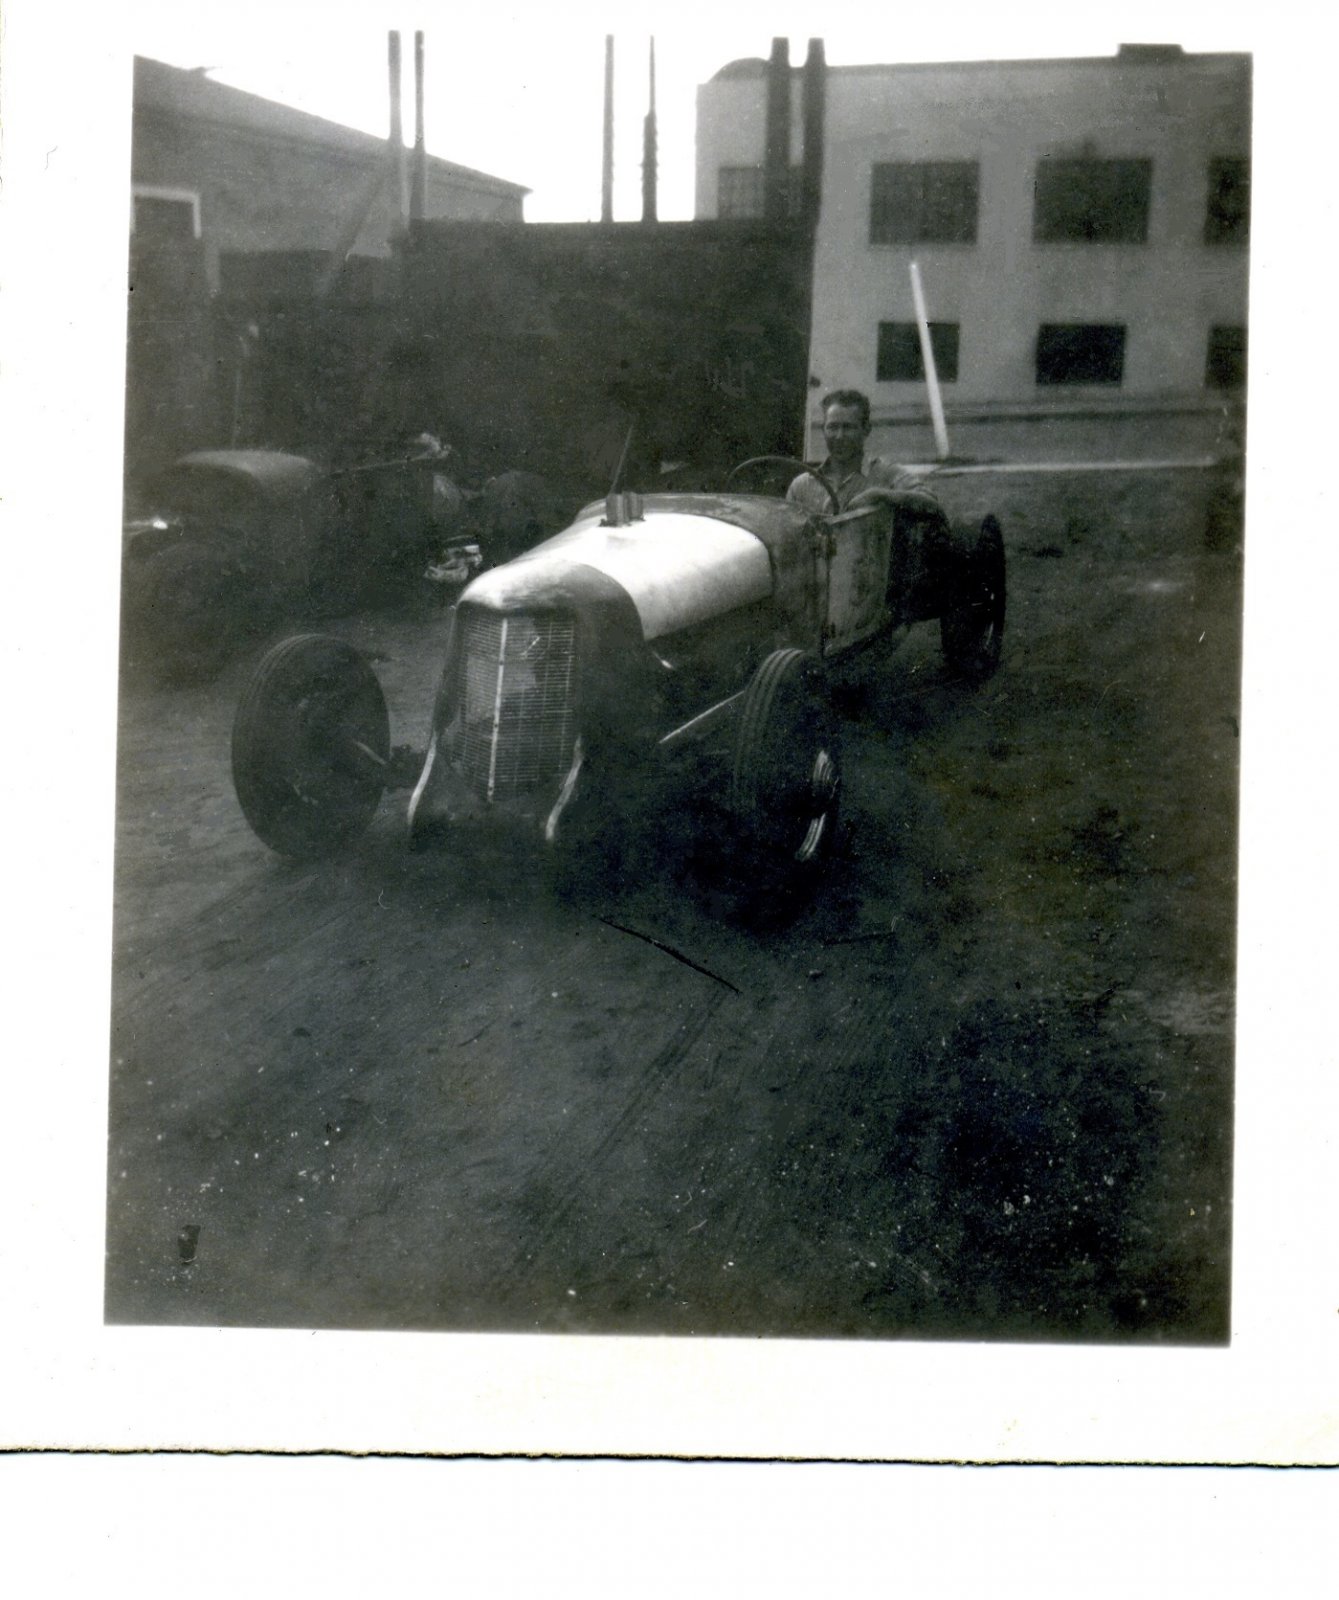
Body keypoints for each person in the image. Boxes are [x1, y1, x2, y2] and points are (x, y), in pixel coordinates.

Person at [786, 388, 940, 517]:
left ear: (866, 430)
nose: (840, 436)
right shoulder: (802, 485)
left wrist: (880, 496)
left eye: (848, 427)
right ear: (823, 430)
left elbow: (931, 502)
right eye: (832, 427)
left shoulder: (886, 475)